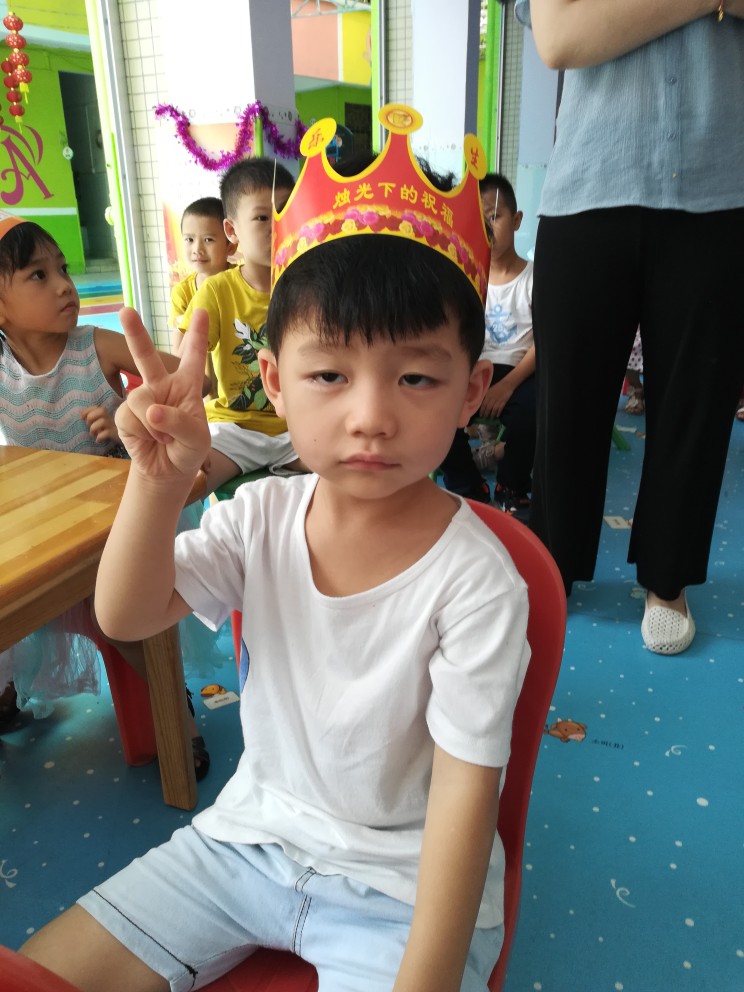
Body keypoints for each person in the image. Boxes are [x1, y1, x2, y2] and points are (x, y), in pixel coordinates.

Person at [20, 110, 531, 992]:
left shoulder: (478, 583)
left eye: (415, 376)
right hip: (246, 842)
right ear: (275, 383)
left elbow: (462, 803)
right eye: (329, 375)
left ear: (470, 390)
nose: (370, 416)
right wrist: (158, 482)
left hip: (401, 885)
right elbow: (126, 615)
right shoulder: (258, 516)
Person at [518, 0, 744, 655]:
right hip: (589, 185)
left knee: (697, 407)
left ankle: (668, 580)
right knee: (569, 404)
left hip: (721, 189)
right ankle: (553, 566)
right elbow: (561, 39)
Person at [0, 214, 213, 778]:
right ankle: (7, 694)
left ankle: (178, 717)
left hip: (120, 525)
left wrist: (133, 409)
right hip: (43, 527)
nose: (64, 285)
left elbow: (195, 383)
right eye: (39, 275)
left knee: (123, 627)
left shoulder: (95, 346)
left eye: (62, 269)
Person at [177, 158, 303, 492]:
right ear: (232, 231)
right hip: (235, 430)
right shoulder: (217, 291)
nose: (277, 225)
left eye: (284, 212)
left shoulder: (311, 288)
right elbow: (185, 365)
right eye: (262, 217)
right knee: (183, 483)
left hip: (299, 429)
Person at [440, 174, 535, 519]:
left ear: (517, 220)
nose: (488, 229)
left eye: (495, 217)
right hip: (475, 367)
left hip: (520, 372)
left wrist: (507, 386)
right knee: (437, 407)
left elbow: (543, 343)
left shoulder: (534, 278)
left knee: (532, 414)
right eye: (480, 221)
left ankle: (511, 487)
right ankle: (468, 486)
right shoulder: (467, 279)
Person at [169, 196, 234, 352]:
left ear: (230, 246)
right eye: (189, 239)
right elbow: (178, 353)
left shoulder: (241, 281)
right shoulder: (182, 293)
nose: (197, 249)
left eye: (208, 240)